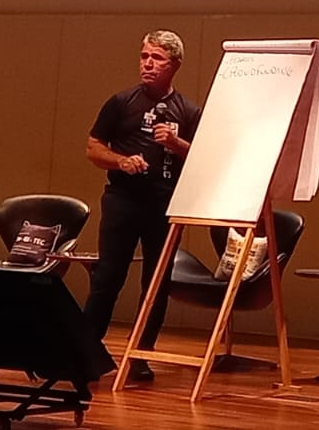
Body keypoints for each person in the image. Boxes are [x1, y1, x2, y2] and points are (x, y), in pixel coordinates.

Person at [83, 29, 200, 381]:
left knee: (156, 283)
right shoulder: (121, 102)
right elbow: (93, 148)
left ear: (174, 65)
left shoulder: (188, 110)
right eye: (144, 56)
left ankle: (141, 354)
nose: (148, 64)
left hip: (164, 204)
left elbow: (203, 158)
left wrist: (176, 143)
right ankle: (85, 352)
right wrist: (121, 161)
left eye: (157, 58)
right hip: (123, 200)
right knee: (108, 277)